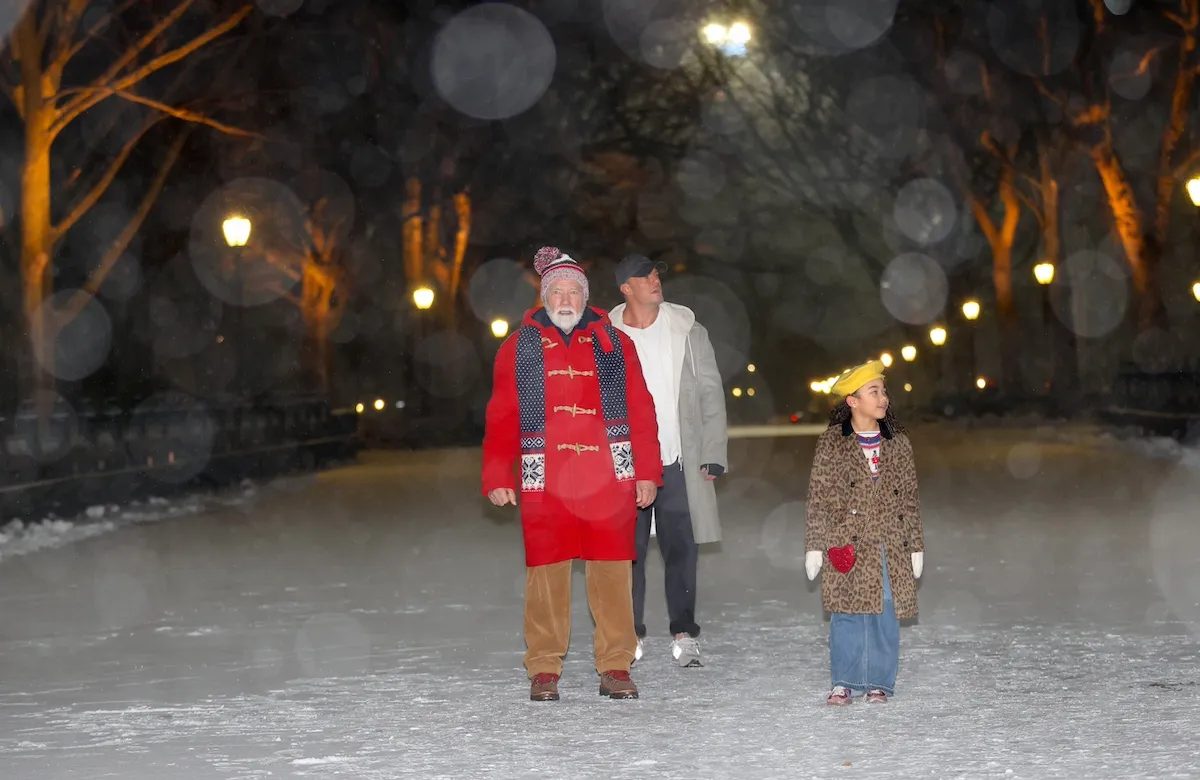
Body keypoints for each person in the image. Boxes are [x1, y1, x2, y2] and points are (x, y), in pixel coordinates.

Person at [482, 246, 663, 702]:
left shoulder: (614, 343)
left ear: (585, 297)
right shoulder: (517, 346)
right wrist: (497, 474)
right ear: (545, 297)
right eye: (557, 291)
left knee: (612, 576)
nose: (565, 299)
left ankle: (616, 664)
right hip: (544, 478)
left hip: (608, 478)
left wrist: (646, 472)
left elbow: (641, 411)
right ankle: (544, 667)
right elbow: (503, 415)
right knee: (546, 575)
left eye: (573, 291)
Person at [609, 253, 728, 668]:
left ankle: (684, 633)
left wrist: (712, 452)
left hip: (679, 459)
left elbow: (711, 392)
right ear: (626, 288)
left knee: (683, 550)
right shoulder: (604, 336)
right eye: (645, 275)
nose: (655, 279)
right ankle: (630, 636)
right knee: (628, 554)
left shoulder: (688, 330)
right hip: (624, 466)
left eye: (657, 272)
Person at [803, 359, 924, 705]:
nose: (883, 398)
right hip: (847, 542)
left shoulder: (898, 443)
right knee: (847, 611)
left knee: (885, 609)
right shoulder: (832, 443)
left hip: (889, 544)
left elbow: (910, 498)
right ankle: (845, 679)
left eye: (884, 391)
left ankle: (879, 681)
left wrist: (915, 545)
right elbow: (819, 497)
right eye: (874, 392)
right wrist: (815, 546)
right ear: (852, 401)